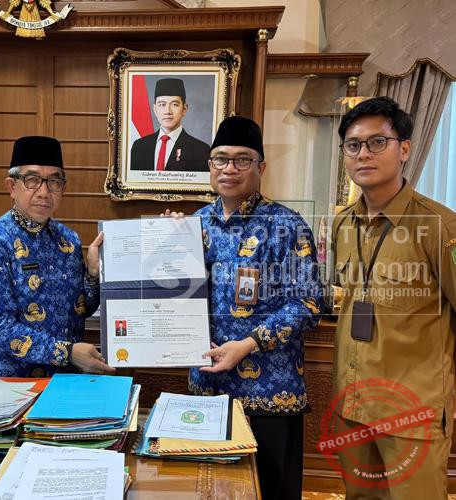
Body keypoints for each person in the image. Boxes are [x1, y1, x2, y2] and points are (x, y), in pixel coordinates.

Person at [179, 116, 322, 500]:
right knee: (206, 491)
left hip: (268, 396)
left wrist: (248, 343)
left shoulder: (287, 225)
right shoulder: (195, 224)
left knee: (270, 492)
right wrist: (165, 243)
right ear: (210, 165)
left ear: (261, 167)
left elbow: (309, 303)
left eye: (242, 159)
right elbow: (171, 295)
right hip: (207, 391)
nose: (229, 168)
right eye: (221, 159)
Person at [332, 97, 456, 498]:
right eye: (353, 145)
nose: (363, 154)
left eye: (377, 142)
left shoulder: (440, 226)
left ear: (404, 148)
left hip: (412, 412)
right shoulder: (343, 223)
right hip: (352, 405)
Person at [0, 135, 114, 377]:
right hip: (11, 383)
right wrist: (66, 352)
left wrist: (93, 274)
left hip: (65, 379)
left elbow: (81, 309)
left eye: (54, 181)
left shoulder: (69, 240)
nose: (44, 192)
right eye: (32, 180)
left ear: (62, 189)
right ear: (12, 187)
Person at [130, 77, 211, 172]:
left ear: (184, 109)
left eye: (174, 104)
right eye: (162, 104)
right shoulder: (139, 146)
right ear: (155, 109)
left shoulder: (201, 150)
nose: (168, 111)